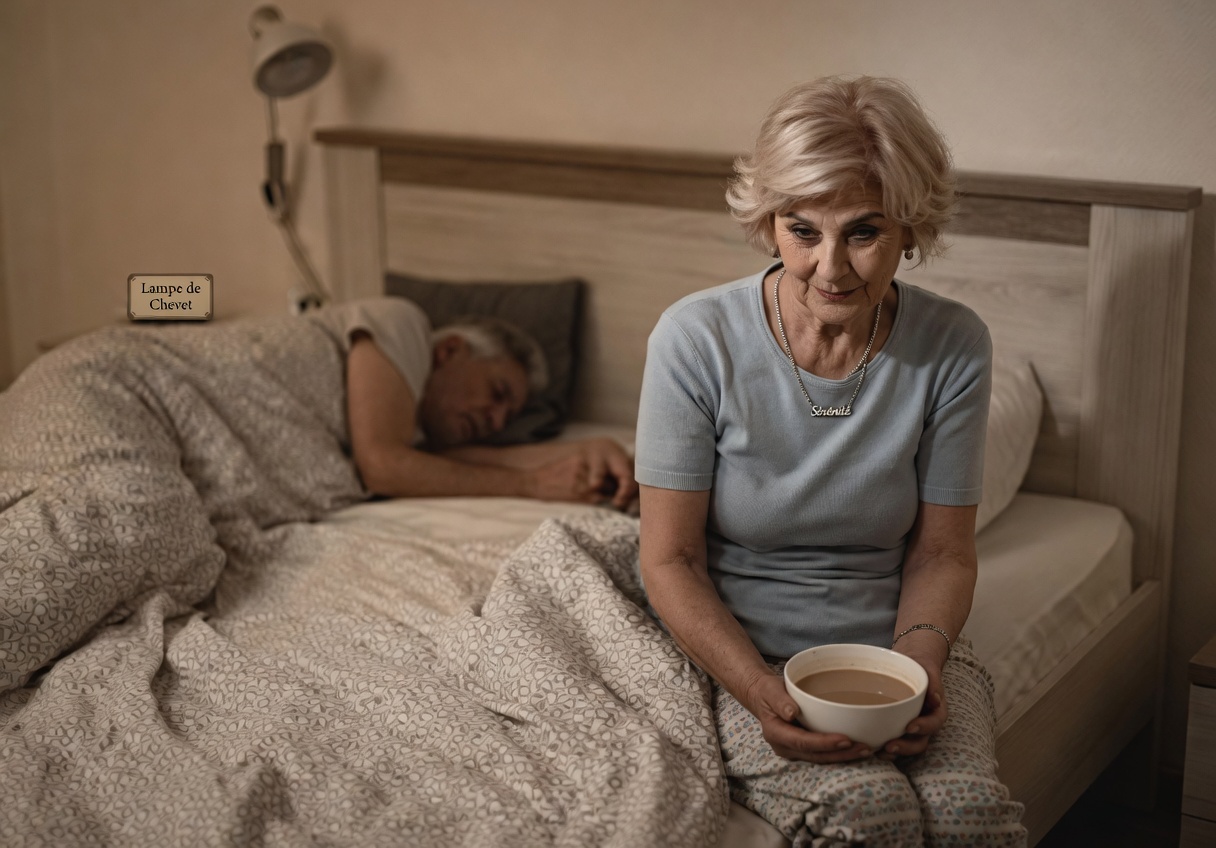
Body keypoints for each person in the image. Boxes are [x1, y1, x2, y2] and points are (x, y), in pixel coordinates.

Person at [634, 76, 1026, 846]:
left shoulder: (953, 344)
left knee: (970, 817)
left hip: (898, 648)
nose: (832, 268)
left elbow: (945, 550)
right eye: (802, 230)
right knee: (866, 816)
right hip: (747, 656)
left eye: (864, 231)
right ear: (767, 224)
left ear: (910, 228)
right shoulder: (694, 339)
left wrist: (919, 672)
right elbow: (670, 559)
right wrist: (759, 692)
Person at [310, 296, 636, 508]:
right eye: (497, 393)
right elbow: (384, 467)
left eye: (507, 419)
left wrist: (589, 448)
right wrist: (531, 485)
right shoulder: (400, 321)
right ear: (449, 351)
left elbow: (452, 464)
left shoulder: (417, 435)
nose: (495, 421)